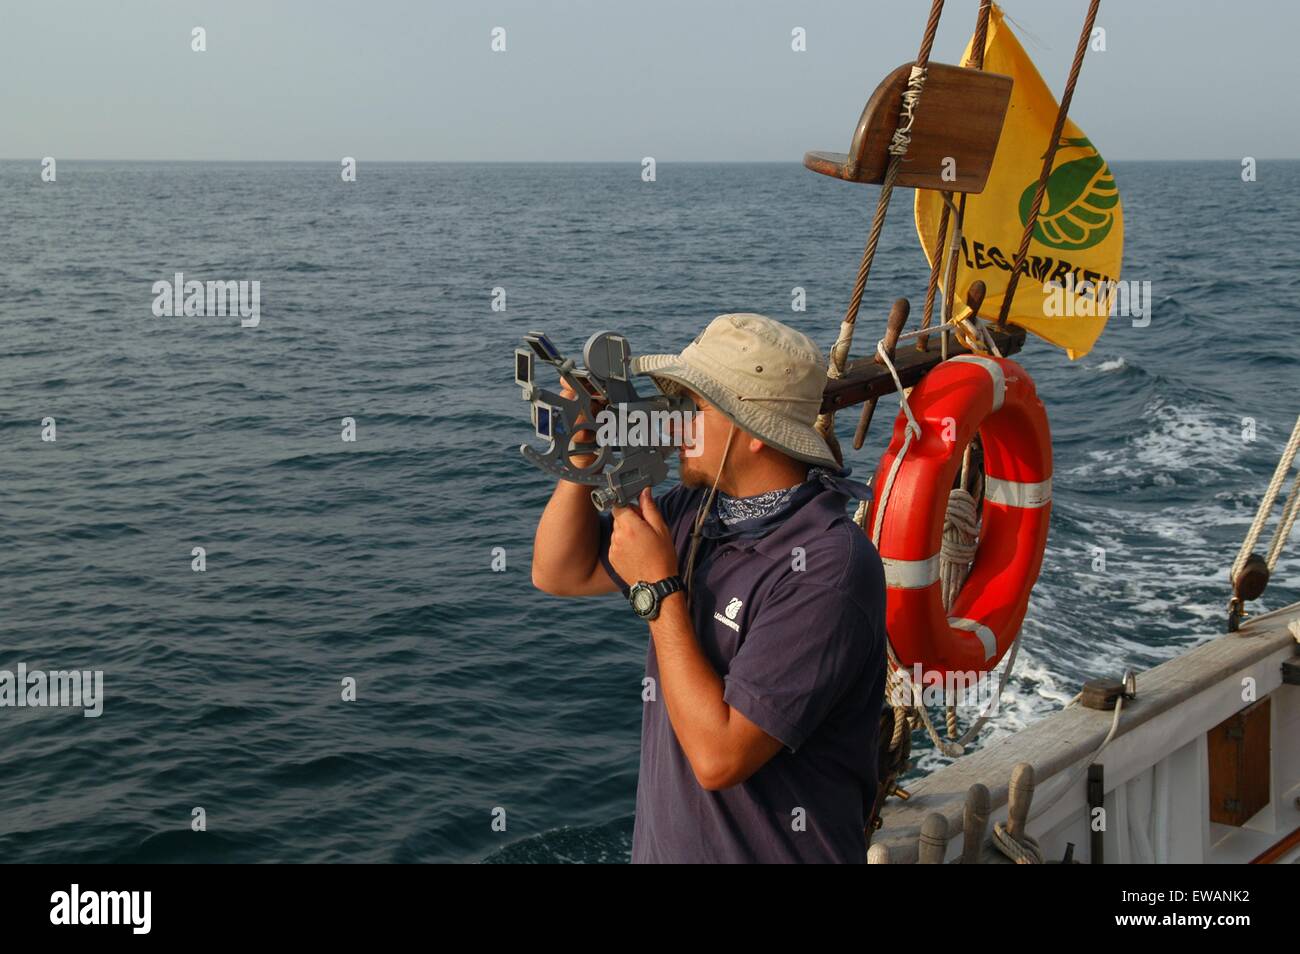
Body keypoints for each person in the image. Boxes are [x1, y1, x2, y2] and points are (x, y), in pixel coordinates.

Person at [531, 312, 887, 863]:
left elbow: (719, 757)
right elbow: (559, 572)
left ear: (753, 436)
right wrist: (582, 456)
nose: (676, 423)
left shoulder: (827, 568)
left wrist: (660, 591)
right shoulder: (697, 513)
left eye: (694, 407)